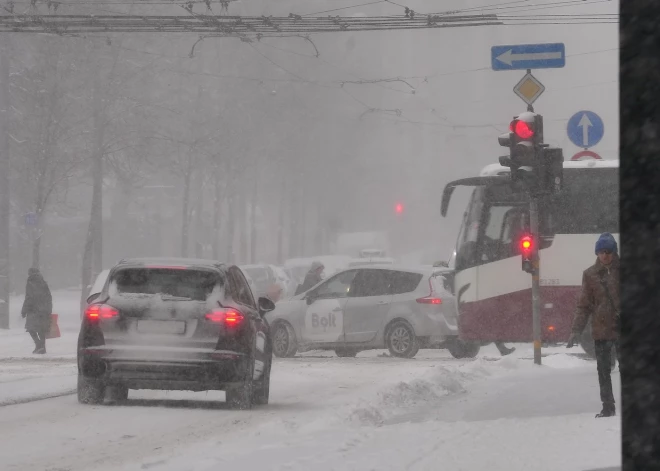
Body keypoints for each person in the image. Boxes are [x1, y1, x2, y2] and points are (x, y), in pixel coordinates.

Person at [567, 233, 620, 418]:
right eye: (601, 252)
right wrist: (576, 330)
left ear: (614, 252)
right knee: (603, 371)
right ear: (597, 253)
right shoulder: (590, 275)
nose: (605, 255)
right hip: (601, 329)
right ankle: (608, 406)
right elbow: (583, 305)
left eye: (608, 251)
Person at [21, 268, 53, 355]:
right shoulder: (43, 282)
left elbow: (29, 297)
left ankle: (38, 345)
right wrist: (49, 309)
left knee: (31, 328)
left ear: (30, 273)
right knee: (41, 329)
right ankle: (42, 347)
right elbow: (49, 296)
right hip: (44, 310)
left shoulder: (30, 282)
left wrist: (24, 310)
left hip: (33, 310)